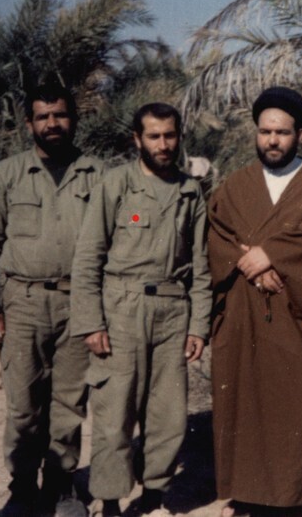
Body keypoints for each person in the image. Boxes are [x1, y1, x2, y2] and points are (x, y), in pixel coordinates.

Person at [0, 82, 103, 517]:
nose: (52, 123)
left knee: (68, 403)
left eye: (60, 114)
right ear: (29, 124)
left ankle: (61, 489)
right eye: (43, 116)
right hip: (21, 303)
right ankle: (23, 490)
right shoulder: (7, 174)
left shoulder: (99, 175)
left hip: (79, 303)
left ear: (73, 119)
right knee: (23, 405)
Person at [70, 103, 210, 517]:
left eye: (170, 135)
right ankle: (111, 500)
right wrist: (91, 322)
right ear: (137, 139)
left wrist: (198, 326)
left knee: (167, 413)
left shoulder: (190, 191)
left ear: (179, 137)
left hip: (173, 309)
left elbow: (201, 266)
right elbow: (88, 257)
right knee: (115, 409)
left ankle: (154, 492)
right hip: (122, 308)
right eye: (154, 136)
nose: (163, 144)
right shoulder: (116, 184)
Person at [208, 86, 302, 515]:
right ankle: (246, 492)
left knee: (295, 401)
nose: (273, 141)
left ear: (299, 134)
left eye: (282, 132)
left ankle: (295, 496)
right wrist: (250, 263)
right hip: (245, 314)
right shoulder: (235, 185)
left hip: (296, 313)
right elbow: (217, 235)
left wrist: (273, 255)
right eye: (265, 132)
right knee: (245, 402)